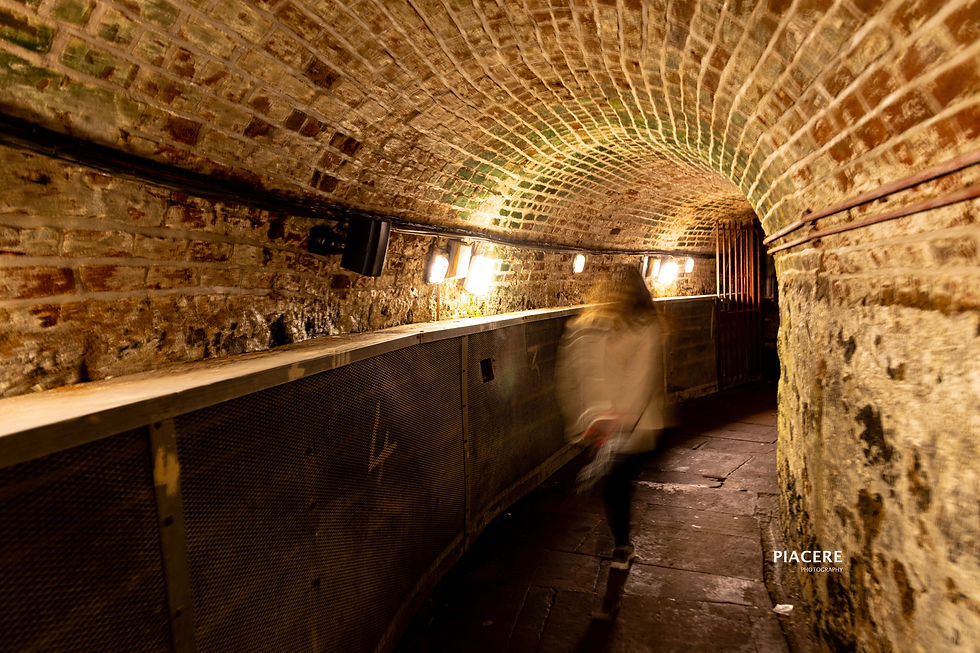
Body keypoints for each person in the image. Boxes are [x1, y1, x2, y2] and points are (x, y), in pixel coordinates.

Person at [555, 264, 666, 572]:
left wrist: (587, 420)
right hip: (631, 423)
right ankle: (621, 545)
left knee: (616, 483)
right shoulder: (646, 325)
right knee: (618, 483)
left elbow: (572, 376)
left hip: (611, 423)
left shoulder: (585, 325)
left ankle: (621, 544)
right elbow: (641, 378)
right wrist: (615, 418)